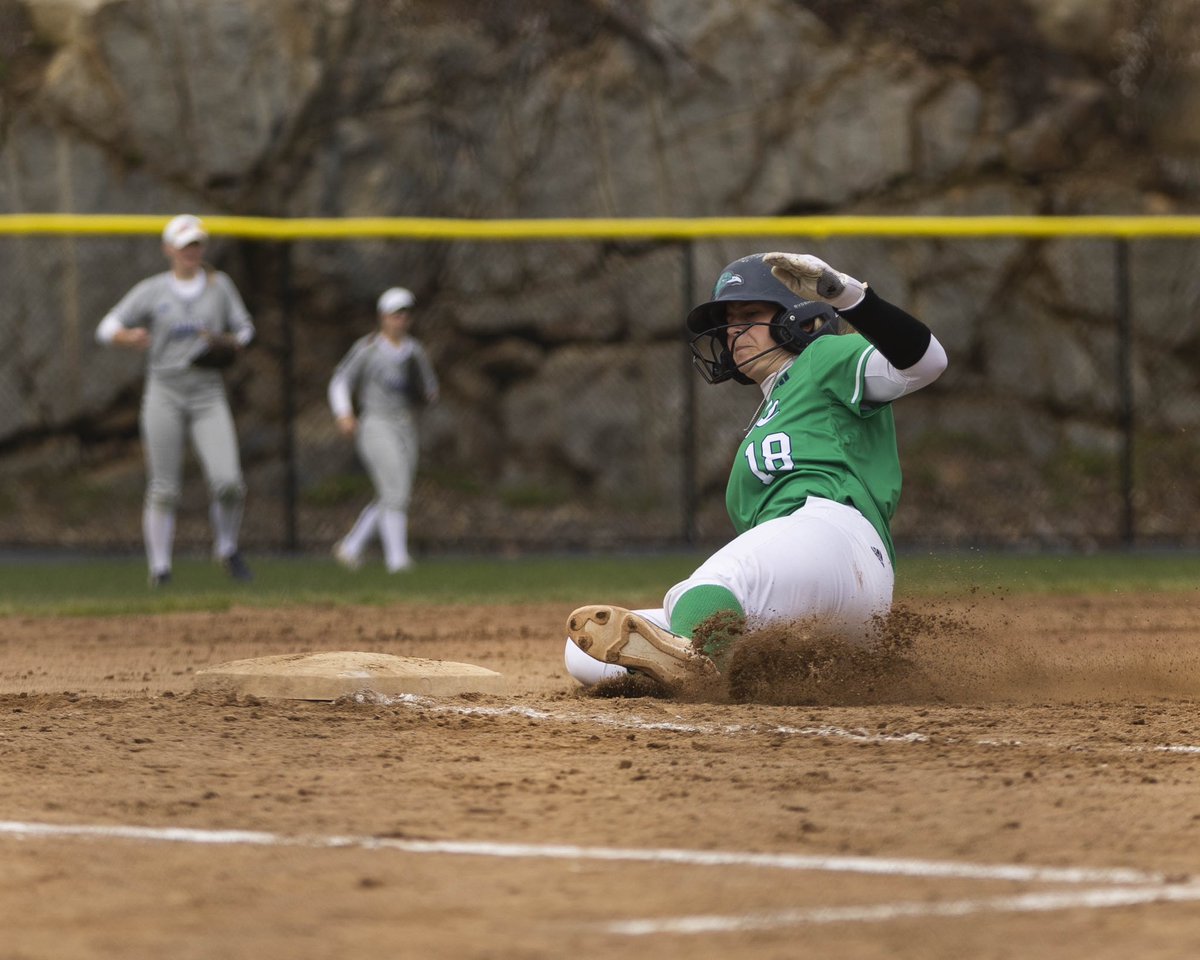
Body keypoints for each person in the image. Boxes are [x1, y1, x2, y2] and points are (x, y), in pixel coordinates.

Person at [563, 251, 948, 689]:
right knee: (585, 650)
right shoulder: (767, 414)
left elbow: (928, 362)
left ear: (798, 321)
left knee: (706, 588)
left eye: (749, 314)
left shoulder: (822, 359)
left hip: (839, 541)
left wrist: (843, 293)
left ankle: (698, 676)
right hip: (827, 600)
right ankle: (747, 674)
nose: (732, 331)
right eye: (729, 321)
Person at [95, 214, 256, 587]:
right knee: (164, 486)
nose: (191, 251)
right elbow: (106, 327)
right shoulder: (154, 290)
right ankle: (160, 569)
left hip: (207, 391)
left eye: (197, 244)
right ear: (169, 249)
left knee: (229, 481)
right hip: (164, 391)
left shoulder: (219, 287)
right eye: (184, 245)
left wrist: (231, 342)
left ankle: (227, 548)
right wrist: (126, 337)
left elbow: (246, 329)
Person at [328, 286, 439, 572]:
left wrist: (425, 393)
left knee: (395, 491)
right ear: (383, 317)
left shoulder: (414, 351)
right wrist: (344, 414)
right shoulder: (368, 349)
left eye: (405, 314)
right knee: (395, 490)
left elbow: (429, 389)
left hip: (404, 424)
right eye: (395, 314)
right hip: (375, 422)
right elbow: (340, 380)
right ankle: (397, 559)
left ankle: (351, 547)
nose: (400, 319)